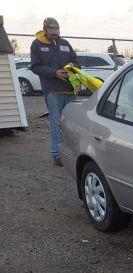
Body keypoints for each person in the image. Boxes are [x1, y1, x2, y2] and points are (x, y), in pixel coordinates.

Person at [30, 18, 78, 166]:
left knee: (72, 123)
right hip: (52, 90)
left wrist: (72, 66)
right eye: (52, 34)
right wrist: (53, 73)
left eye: (57, 34)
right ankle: (57, 154)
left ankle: (73, 153)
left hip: (70, 90)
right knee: (56, 123)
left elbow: (76, 62)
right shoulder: (37, 45)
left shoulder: (65, 44)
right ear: (45, 30)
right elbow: (35, 66)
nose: (54, 37)